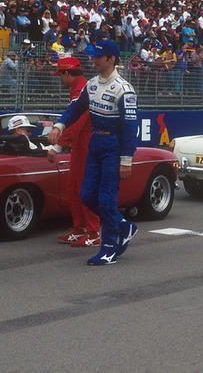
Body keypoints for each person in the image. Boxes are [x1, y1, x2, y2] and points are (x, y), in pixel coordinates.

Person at [47, 40, 138, 265]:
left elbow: (129, 128)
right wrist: (59, 125)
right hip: (95, 144)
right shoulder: (92, 84)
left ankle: (108, 248)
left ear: (111, 59)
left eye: (98, 57)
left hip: (113, 147)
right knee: (87, 195)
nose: (93, 60)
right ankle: (123, 226)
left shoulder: (124, 90)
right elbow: (76, 109)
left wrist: (126, 159)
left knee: (106, 199)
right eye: (93, 56)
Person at [47, 57, 102, 247]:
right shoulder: (78, 87)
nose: (60, 79)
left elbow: (77, 122)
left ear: (67, 73)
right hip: (81, 143)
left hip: (87, 143)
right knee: (73, 188)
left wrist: (58, 146)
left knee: (84, 188)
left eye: (60, 75)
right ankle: (79, 229)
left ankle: (93, 232)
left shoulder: (81, 89)